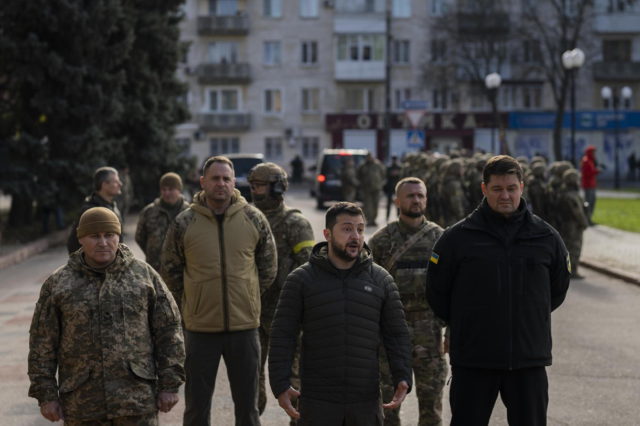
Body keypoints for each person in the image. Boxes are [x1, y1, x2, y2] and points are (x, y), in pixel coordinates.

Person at [425, 155, 571, 426]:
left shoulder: (547, 238)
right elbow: (437, 292)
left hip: (528, 360)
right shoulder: (457, 238)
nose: (505, 195)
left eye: (511, 188)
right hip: (474, 360)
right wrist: (466, 322)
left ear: (522, 187)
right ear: (484, 189)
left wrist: (527, 314)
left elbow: (557, 289)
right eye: (497, 189)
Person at [28, 207, 185, 425]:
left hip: (136, 402)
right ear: (81, 238)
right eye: (94, 236)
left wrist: (170, 384)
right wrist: (45, 395)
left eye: (109, 235)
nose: (103, 242)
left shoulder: (144, 276)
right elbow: (42, 343)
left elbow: (169, 330)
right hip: (83, 405)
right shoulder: (59, 283)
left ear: (118, 236)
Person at [269, 202, 413, 426]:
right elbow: (282, 335)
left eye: (360, 229)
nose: (355, 236)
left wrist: (403, 375)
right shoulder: (301, 280)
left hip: (365, 402)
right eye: (347, 229)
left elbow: (396, 334)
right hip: (318, 402)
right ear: (327, 234)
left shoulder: (381, 280)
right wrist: (280, 383)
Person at [161, 156, 277, 426]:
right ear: (203, 182)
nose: (221, 184)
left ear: (234, 182)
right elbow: (170, 269)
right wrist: (195, 301)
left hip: (244, 327)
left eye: (226, 178)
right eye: (215, 178)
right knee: (197, 408)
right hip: (200, 329)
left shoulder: (253, 218)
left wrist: (246, 294)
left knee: (248, 409)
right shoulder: (184, 222)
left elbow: (268, 267)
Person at [369, 177, 447, 426]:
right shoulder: (382, 241)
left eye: (420, 195)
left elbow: (455, 288)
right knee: (386, 410)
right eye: (410, 196)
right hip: (391, 335)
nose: (416, 200)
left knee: (431, 410)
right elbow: (367, 289)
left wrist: (453, 329)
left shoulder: (441, 238)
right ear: (397, 201)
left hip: (429, 335)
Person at [247, 162, 315, 421]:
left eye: (261, 186)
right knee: (250, 381)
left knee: (295, 381)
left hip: (287, 317)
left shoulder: (295, 223)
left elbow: (308, 272)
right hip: (252, 314)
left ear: (278, 186)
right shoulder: (245, 220)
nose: (255, 191)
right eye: (252, 186)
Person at [135, 172, 189, 272]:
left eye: (171, 189)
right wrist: (153, 253)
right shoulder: (149, 211)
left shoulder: (189, 213)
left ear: (179, 190)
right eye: (164, 189)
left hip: (182, 270)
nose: (166, 193)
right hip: (156, 269)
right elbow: (139, 237)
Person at [67, 166, 123, 254]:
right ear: (104, 184)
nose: (120, 184)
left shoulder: (112, 206)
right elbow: (73, 243)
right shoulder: (90, 210)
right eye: (116, 181)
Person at [556, 169, 589, 280]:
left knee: (567, 247)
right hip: (573, 226)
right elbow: (577, 212)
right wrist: (584, 223)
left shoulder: (562, 193)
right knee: (574, 248)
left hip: (565, 224)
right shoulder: (572, 195)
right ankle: (572, 271)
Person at [357, 153, 386, 226]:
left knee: (375, 204)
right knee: (368, 205)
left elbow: (383, 174)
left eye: (370, 157)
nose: (369, 158)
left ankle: (373, 219)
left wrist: (380, 183)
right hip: (366, 189)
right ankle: (369, 219)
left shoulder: (378, 165)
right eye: (368, 157)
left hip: (376, 188)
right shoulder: (363, 166)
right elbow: (358, 175)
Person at [580, 145, 600, 225]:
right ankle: (587, 220)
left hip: (591, 184)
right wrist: (596, 171)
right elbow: (587, 173)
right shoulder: (586, 161)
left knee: (592, 202)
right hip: (588, 185)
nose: (595, 154)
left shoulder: (590, 161)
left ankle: (589, 219)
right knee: (588, 202)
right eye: (593, 152)